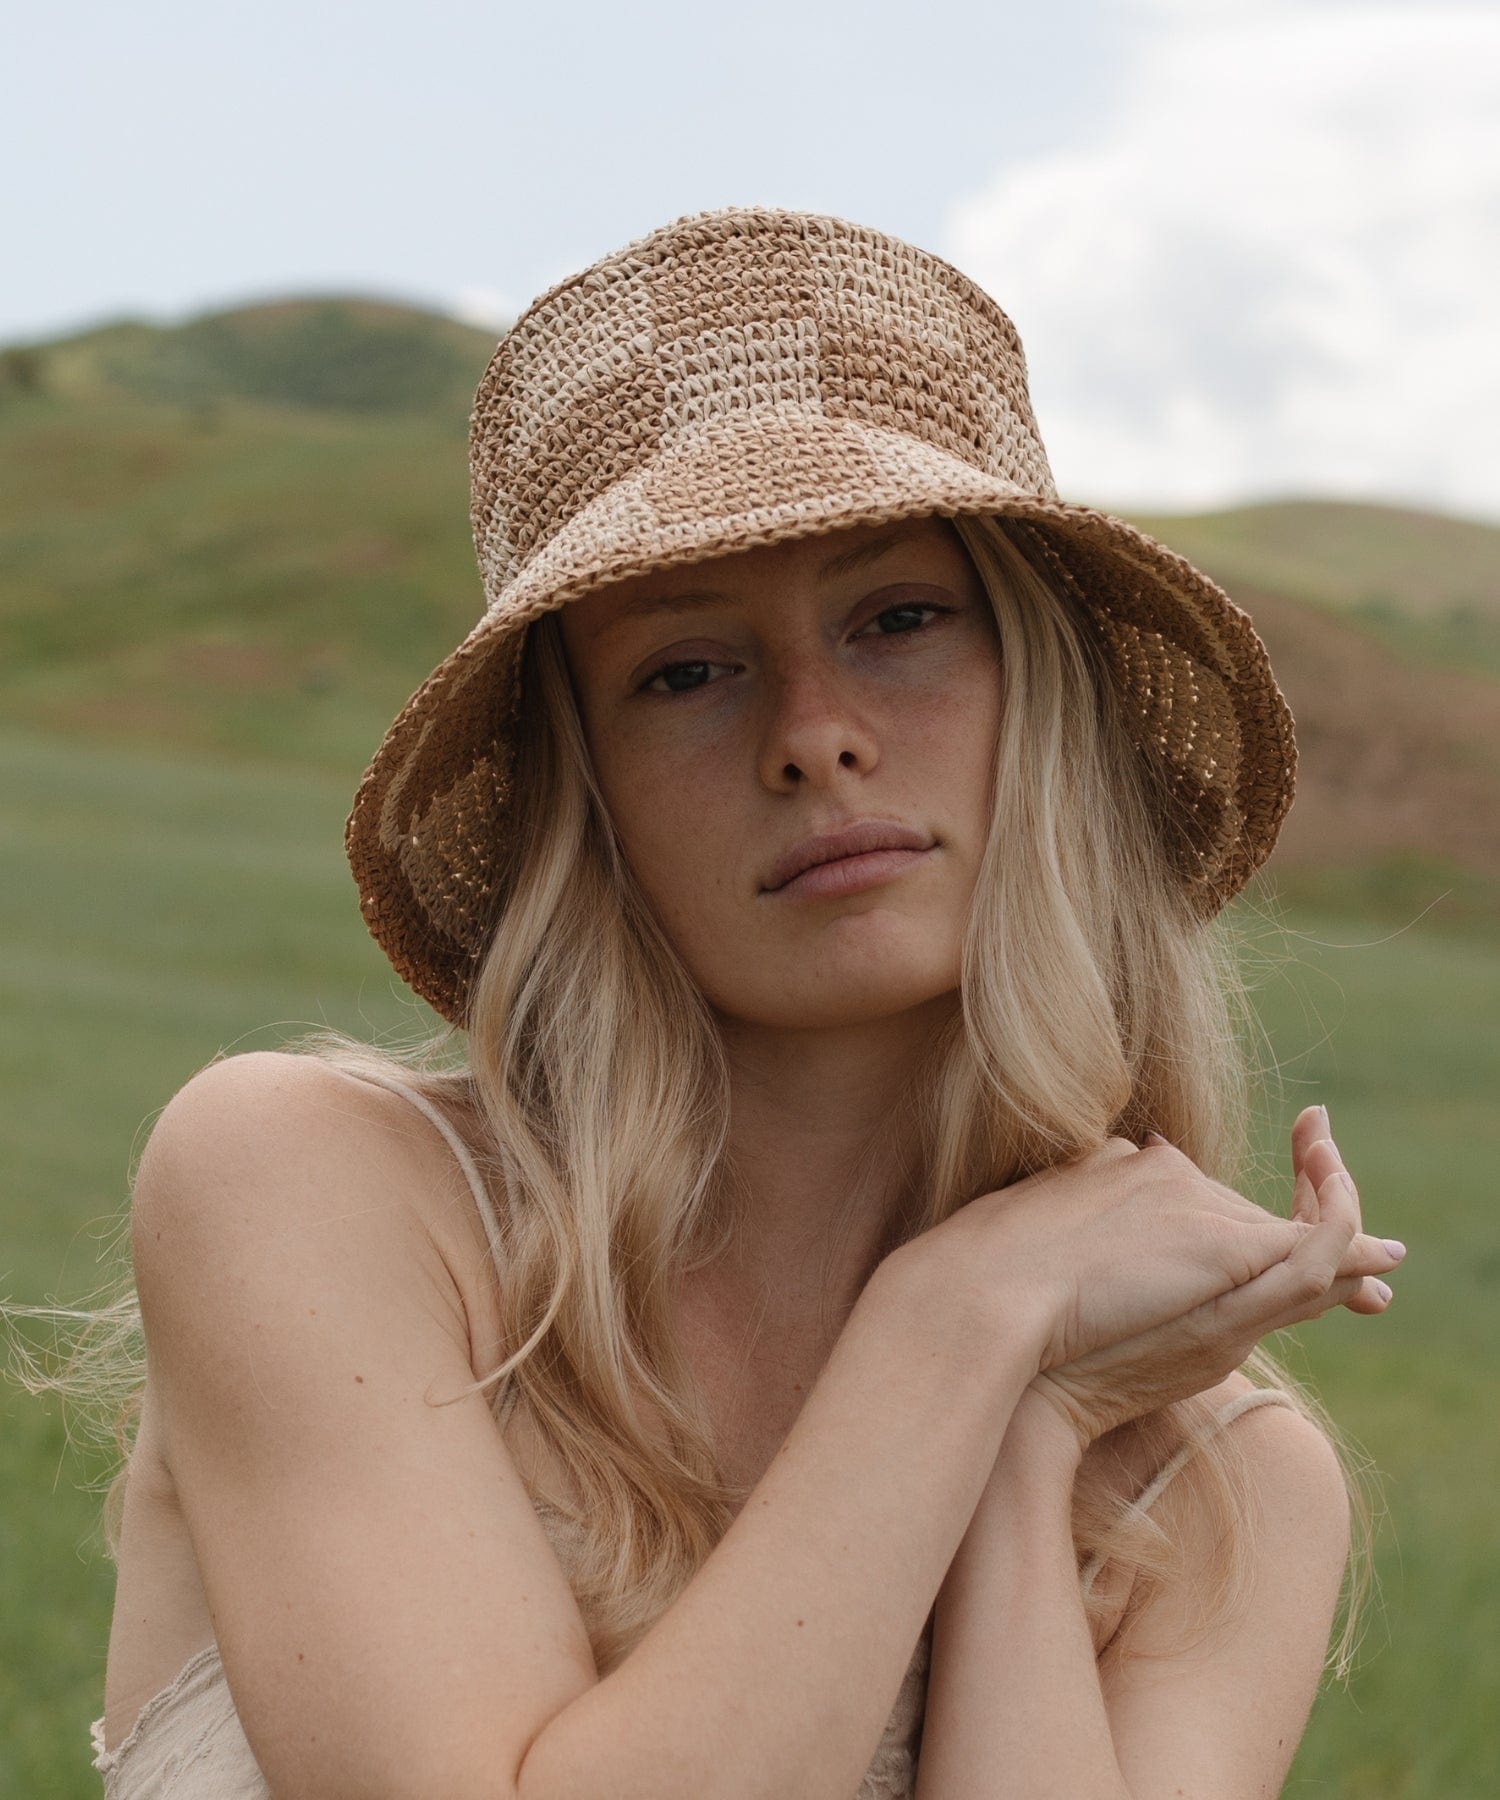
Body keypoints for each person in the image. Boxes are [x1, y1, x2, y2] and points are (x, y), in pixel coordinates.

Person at [83, 205, 1403, 1798]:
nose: (813, 733)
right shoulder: (318, 1189)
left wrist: (1028, 1431)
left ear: (1042, 698)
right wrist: (949, 1323)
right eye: (686, 670)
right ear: (586, 794)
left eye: (899, 619)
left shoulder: (1223, 1493)